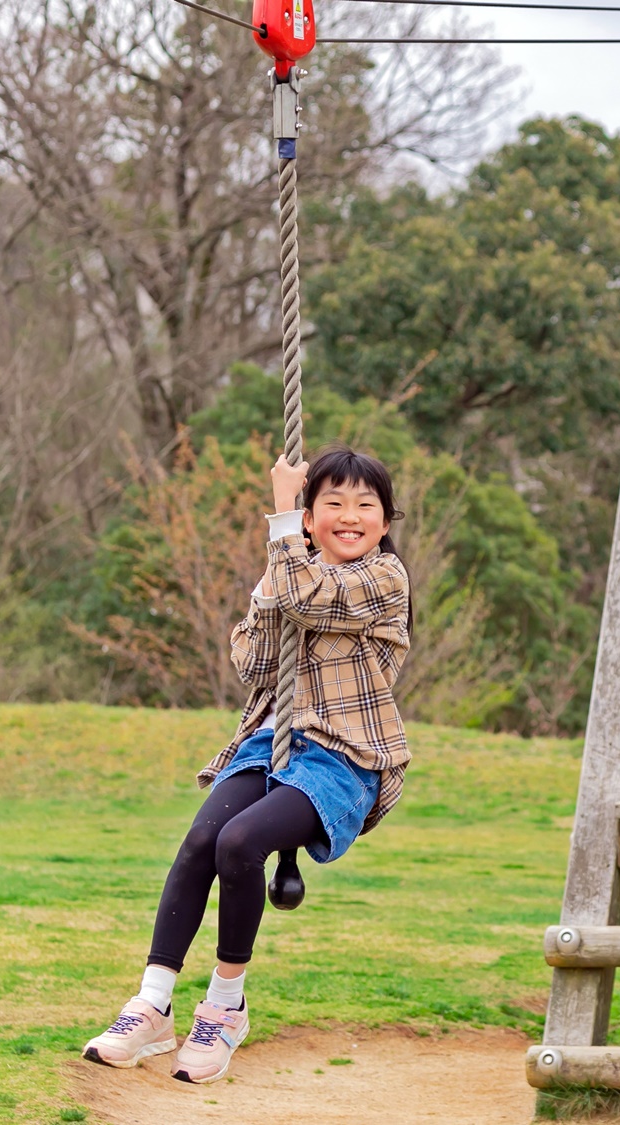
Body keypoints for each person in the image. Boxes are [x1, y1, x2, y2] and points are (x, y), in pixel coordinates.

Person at [82, 447, 412, 1083]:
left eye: (365, 505)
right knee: (201, 842)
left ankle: (225, 1008)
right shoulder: (289, 566)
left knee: (239, 845)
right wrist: (272, 579)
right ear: (312, 520)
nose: (350, 516)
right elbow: (253, 667)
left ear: (385, 520)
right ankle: (152, 1004)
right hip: (270, 740)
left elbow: (312, 597)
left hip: (344, 755)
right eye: (332, 505)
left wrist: (283, 519)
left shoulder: (383, 579)